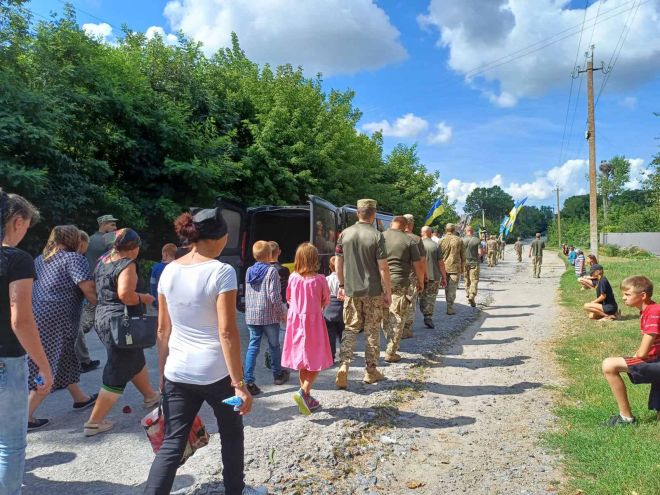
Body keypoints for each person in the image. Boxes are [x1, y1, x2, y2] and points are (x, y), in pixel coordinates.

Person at [145, 208, 265, 495]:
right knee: (231, 434)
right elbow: (226, 332)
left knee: (172, 444)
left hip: (178, 371)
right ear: (220, 237)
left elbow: (163, 330)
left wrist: (163, 376)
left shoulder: (169, 270)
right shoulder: (221, 271)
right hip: (216, 373)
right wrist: (239, 384)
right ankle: (235, 490)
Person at [0, 191, 52, 494]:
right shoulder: (16, 259)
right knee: (9, 443)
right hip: (6, 360)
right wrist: (43, 366)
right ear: (16, 221)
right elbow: (20, 320)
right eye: (26, 226)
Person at [84, 228, 160, 436]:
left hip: (104, 317)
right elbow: (126, 295)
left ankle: (150, 396)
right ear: (134, 248)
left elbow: (95, 286)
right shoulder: (127, 264)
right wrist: (145, 298)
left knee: (133, 357)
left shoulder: (104, 260)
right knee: (118, 368)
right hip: (121, 322)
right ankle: (94, 422)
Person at [27, 225, 99, 429]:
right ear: (74, 240)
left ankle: (80, 398)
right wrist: (102, 307)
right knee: (46, 364)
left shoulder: (40, 259)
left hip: (37, 314)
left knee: (66, 356)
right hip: (57, 317)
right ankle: (25, 416)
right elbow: (87, 288)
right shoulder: (74, 258)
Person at [334, 199, 392, 389]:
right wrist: (388, 291)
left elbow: (338, 262)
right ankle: (371, 371)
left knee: (350, 328)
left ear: (357, 213)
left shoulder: (344, 234)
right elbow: (383, 267)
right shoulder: (377, 236)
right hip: (373, 290)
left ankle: (344, 364)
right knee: (372, 330)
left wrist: (341, 284)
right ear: (373, 213)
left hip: (351, 290)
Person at [601, 276, 660, 426]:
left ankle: (626, 418)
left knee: (609, 365)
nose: (623, 297)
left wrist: (634, 359)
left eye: (628, 294)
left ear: (643, 296)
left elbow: (643, 353)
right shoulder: (649, 310)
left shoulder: (653, 313)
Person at [282, 243, 332, 415]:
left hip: (295, 322)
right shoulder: (320, 280)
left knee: (303, 361)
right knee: (316, 359)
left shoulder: (293, 277)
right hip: (313, 323)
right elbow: (326, 300)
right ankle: (303, 392)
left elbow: (288, 297)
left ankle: (307, 396)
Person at [243, 241, 289, 396]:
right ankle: (277, 374)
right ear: (270, 255)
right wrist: (281, 312)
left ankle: (248, 381)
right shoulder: (272, 272)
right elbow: (274, 296)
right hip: (268, 315)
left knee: (252, 346)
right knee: (274, 345)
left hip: (252, 315)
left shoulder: (249, 270)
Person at [382, 217, 423, 363]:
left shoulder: (380, 236)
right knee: (398, 317)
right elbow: (418, 265)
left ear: (392, 223)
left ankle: (389, 340)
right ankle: (391, 352)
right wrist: (421, 281)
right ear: (406, 226)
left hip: (380, 282)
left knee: (384, 315)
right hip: (399, 282)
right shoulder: (410, 241)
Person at [75, 230, 101, 373]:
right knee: (77, 332)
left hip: (42, 308)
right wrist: (100, 305)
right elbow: (87, 288)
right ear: (81, 243)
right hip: (67, 309)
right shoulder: (77, 259)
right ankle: (84, 362)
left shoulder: (45, 258)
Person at [401, 214, 426, 339]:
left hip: (396, 276)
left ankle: (395, 326)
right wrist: (422, 279)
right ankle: (406, 328)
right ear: (411, 224)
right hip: (412, 276)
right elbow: (421, 261)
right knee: (410, 302)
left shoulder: (393, 237)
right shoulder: (416, 239)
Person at [419, 226, 447, 327]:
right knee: (431, 297)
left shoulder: (417, 244)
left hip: (420, 276)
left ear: (422, 233)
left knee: (421, 296)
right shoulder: (435, 246)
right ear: (430, 233)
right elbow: (441, 263)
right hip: (434, 275)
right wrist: (444, 277)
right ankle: (428, 316)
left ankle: (420, 312)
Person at [439, 223, 465, 316]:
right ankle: (450, 306)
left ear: (446, 230)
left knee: (446, 287)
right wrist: (462, 268)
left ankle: (448, 304)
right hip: (455, 267)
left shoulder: (441, 240)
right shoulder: (459, 240)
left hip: (443, 267)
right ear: (454, 230)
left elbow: (438, 256)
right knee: (452, 288)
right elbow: (463, 256)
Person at [324, 256, 344, 362]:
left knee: (330, 335)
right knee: (343, 334)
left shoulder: (326, 279)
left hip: (329, 309)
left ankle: (331, 356)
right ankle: (344, 356)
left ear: (329, 267)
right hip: (342, 308)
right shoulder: (344, 280)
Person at [149, 243, 177, 309]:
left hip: (159, 302)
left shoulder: (156, 268)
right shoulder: (178, 267)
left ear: (165, 254)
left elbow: (152, 285)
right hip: (173, 303)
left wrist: (154, 300)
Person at [462, 226, 482, 308]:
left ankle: (467, 294)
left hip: (464, 263)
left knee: (467, 280)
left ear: (465, 231)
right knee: (474, 280)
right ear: (472, 231)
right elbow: (480, 252)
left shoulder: (461, 240)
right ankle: (472, 295)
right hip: (474, 263)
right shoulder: (477, 240)